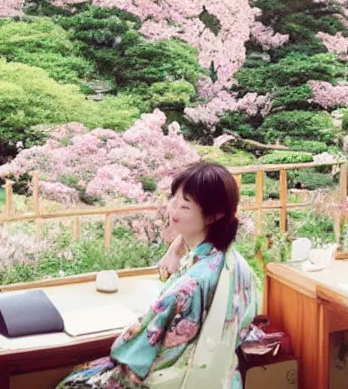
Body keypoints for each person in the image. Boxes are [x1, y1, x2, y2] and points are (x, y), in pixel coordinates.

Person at [56, 162, 257, 389]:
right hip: (222, 376)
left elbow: (138, 348)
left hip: (178, 380)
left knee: (73, 382)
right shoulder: (235, 263)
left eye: (185, 206)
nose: (173, 209)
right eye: (174, 199)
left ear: (213, 217)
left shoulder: (189, 286)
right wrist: (175, 248)